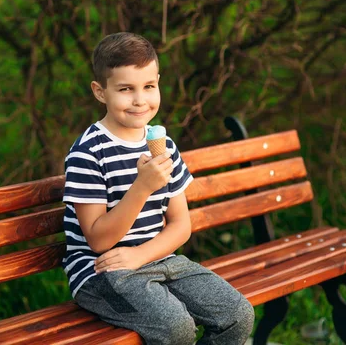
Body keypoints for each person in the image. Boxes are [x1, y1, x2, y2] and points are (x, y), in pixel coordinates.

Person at [62, 32, 254, 345]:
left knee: (237, 315)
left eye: (149, 87)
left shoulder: (163, 148)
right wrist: (142, 186)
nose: (140, 100)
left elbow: (181, 225)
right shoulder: (88, 152)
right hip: (102, 276)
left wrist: (142, 255)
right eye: (126, 89)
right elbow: (98, 240)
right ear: (100, 91)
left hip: (158, 259)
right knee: (175, 328)